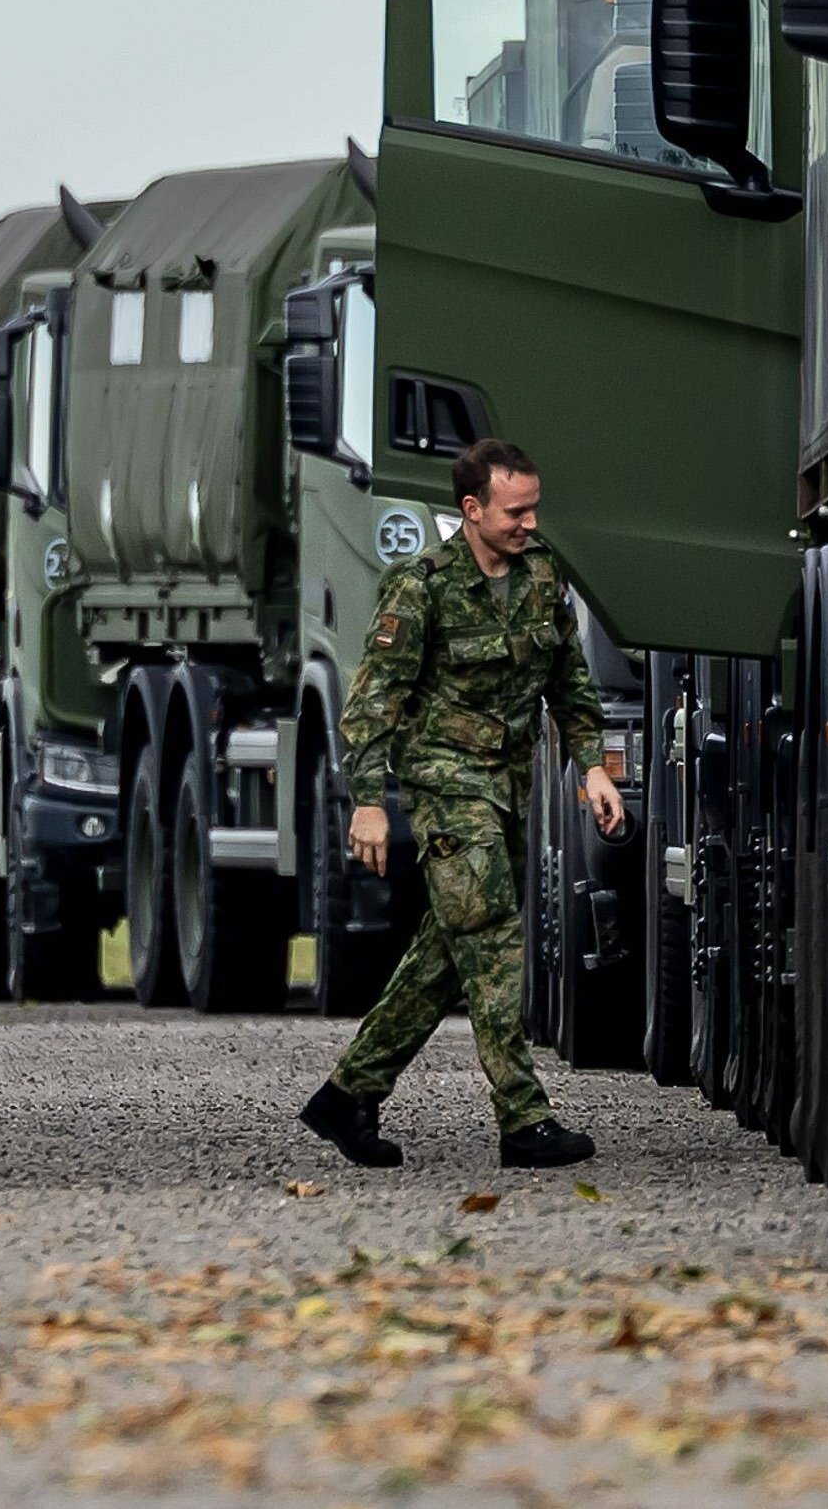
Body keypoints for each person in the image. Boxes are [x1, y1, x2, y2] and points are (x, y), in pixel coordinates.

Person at [300, 439, 620, 1169]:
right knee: (494, 934)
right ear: (471, 509)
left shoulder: (543, 578)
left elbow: (570, 686)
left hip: (508, 789)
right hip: (447, 786)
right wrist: (369, 803)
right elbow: (371, 702)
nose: (528, 522)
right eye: (514, 510)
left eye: (534, 507)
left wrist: (594, 768)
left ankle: (348, 1093)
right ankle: (523, 1118)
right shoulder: (421, 587)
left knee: (448, 951)